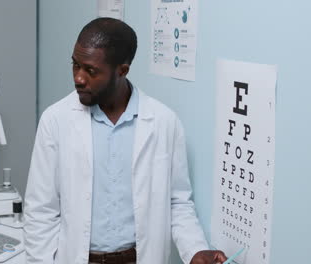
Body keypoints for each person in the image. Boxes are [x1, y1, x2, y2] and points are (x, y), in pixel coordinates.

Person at [24, 17, 227, 264]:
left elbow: (177, 202)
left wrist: (195, 250)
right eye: (75, 65)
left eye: (90, 70)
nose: (78, 78)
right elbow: (40, 211)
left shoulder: (163, 122)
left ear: (122, 70)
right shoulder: (55, 120)